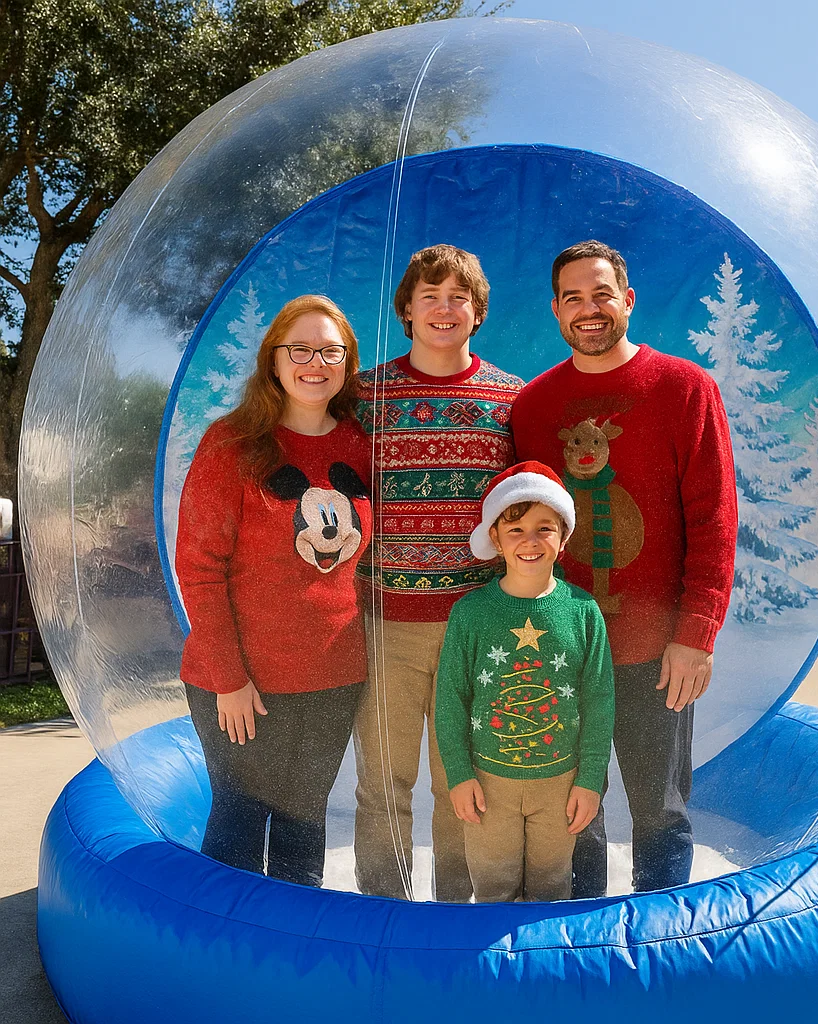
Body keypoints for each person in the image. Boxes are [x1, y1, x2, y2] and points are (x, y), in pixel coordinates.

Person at [511, 241, 738, 896]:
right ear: (556, 309)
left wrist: (696, 634)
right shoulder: (533, 408)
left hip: (656, 653)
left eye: (602, 293)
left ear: (627, 300)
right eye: (573, 297)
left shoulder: (685, 390)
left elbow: (715, 520)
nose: (589, 309)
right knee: (572, 812)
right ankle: (587, 948)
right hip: (563, 650)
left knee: (659, 809)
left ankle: (659, 957)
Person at [176, 294, 371, 888]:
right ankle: (217, 967)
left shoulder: (360, 445)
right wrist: (229, 679)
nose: (316, 363)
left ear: (346, 362)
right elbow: (200, 571)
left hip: (335, 677)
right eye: (301, 349)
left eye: (331, 351)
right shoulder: (232, 443)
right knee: (239, 822)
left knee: (303, 825)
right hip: (242, 683)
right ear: (273, 359)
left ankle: (288, 972)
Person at [353, 244, 523, 901]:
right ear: (406, 310)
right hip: (385, 628)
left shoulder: (510, 400)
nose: (443, 308)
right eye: (430, 296)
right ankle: (386, 919)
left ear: (477, 312)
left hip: (475, 633)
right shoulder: (364, 397)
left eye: (458, 297)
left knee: (466, 786)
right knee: (384, 783)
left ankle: (453, 922)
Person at [434, 461, 614, 902]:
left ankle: (545, 971)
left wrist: (590, 780)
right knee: (493, 891)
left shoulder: (583, 611)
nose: (530, 541)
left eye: (544, 528)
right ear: (494, 537)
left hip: (561, 786)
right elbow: (450, 700)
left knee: (552, 889)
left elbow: (599, 700)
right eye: (515, 529)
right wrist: (459, 775)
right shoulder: (471, 613)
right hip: (487, 787)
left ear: (563, 536)